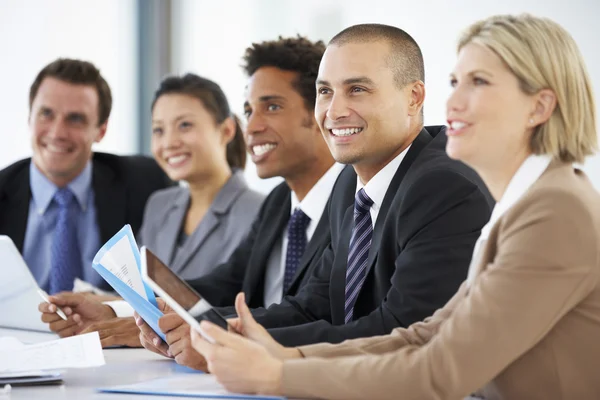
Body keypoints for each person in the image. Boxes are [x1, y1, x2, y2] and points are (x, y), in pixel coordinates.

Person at [190, 14, 600, 400]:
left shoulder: (555, 210)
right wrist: (284, 355)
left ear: (540, 108)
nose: (453, 101)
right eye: (455, 81)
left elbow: (440, 368)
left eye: (479, 82)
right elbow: (425, 336)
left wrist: (278, 375)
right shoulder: (525, 203)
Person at [138, 23, 493, 367]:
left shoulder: (443, 188)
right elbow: (313, 307)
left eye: (357, 89)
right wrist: (213, 331)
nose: (334, 111)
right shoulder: (349, 185)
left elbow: (400, 330)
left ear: (413, 98)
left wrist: (239, 346)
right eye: (325, 91)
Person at [39, 37, 347, 353]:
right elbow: (222, 285)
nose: (251, 126)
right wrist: (115, 309)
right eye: (248, 110)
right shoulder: (280, 203)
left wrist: (191, 330)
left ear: (321, 110)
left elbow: (308, 313)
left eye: (272, 107)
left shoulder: (355, 207)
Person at [38, 73, 266, 346]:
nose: (169, 142)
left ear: (226, 130)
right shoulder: (160, 205)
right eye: (159, 130)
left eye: (184, 125)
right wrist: (103, 305)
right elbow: (146, 297)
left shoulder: (259, 212)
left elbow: (226, 301)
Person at [0, 58, 171, 294]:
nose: (58, 132)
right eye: (46, 114)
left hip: (107, 326)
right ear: (29, 118)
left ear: (101, 130)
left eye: (75, 119)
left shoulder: (146, 182)